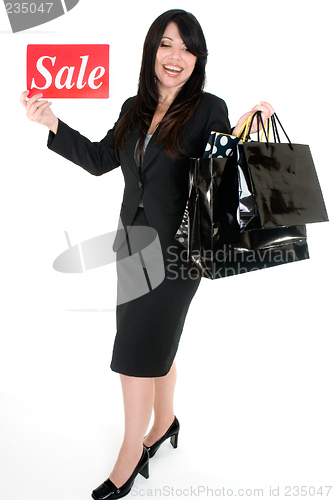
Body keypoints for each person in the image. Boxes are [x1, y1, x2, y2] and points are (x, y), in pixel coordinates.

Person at [20, 9, 274, 500]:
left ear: (197, 57)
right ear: (151, 50)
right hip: (131, 246)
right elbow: (99, 160)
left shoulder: (208, 108)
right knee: (153, 343)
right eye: (166, 44)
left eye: (186, 47)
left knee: (134, 355)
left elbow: (218, 175)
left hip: (179, 253)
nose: (176, 56)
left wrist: (241, 133)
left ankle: (131, 453)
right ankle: (165, 423)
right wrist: (52, 122)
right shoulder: (134, 107)